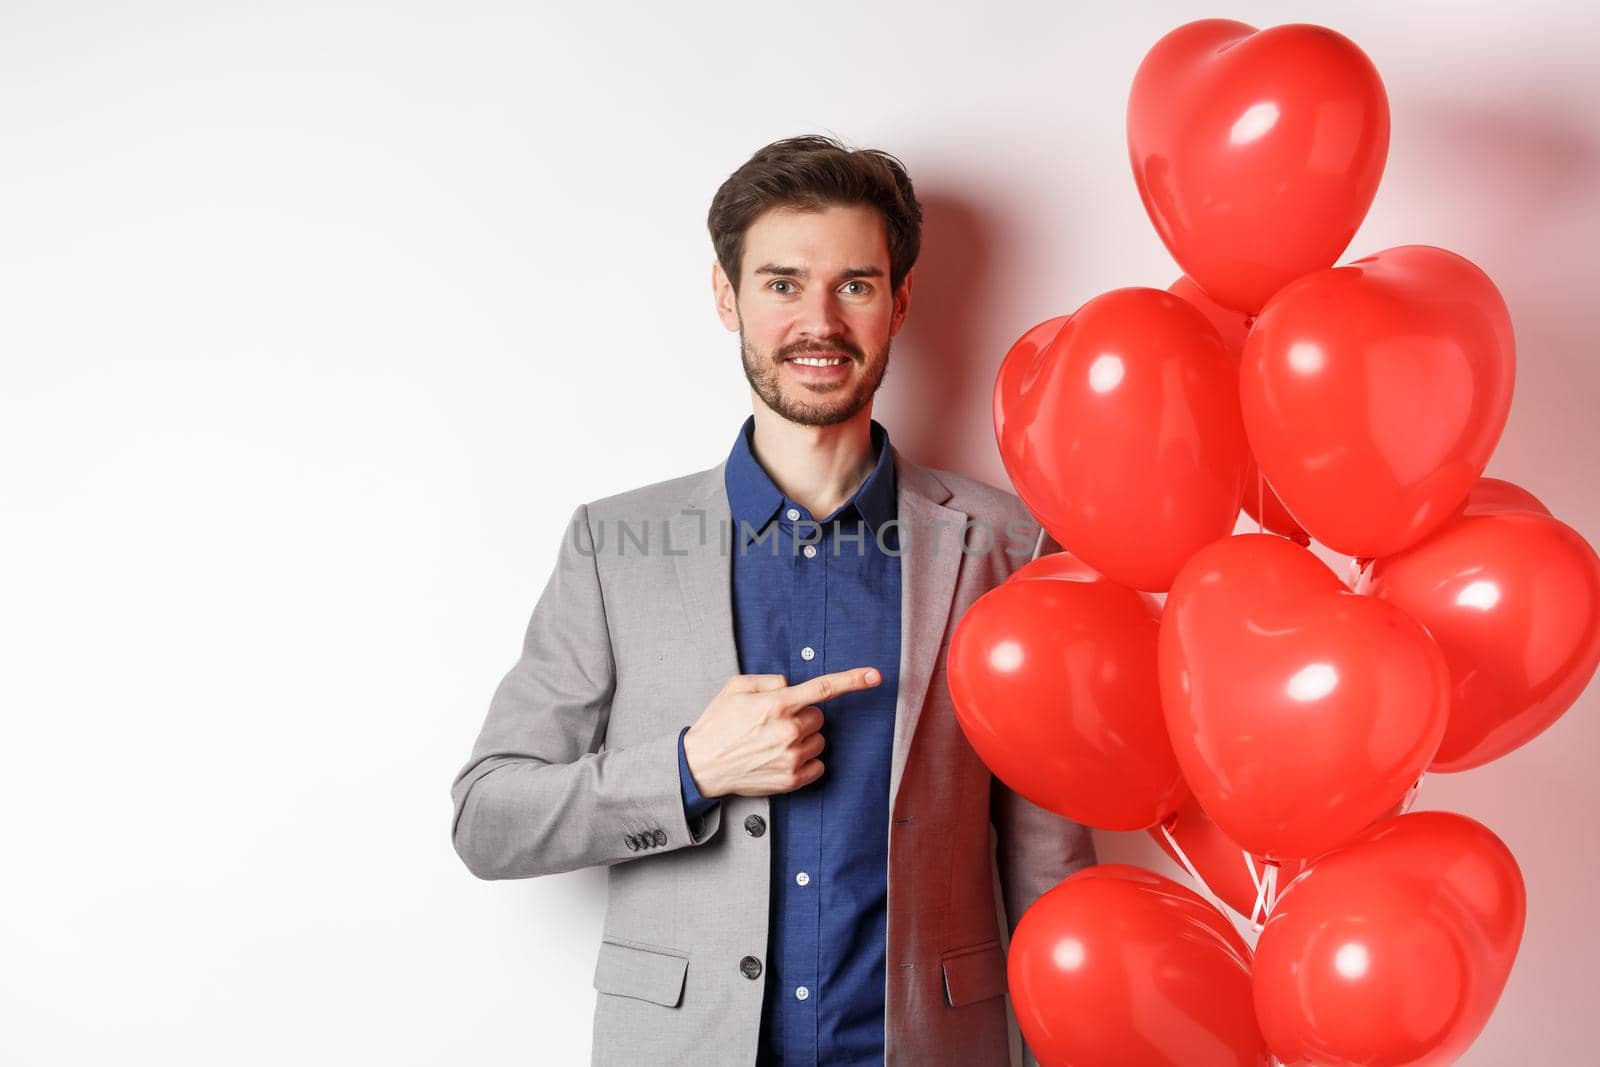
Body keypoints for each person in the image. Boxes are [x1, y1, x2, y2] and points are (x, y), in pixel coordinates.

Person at [449, 135, 1097, 1066]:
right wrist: (688, 769)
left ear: (901, 301)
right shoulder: (613, 546)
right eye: (783, 284)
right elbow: (488, 818)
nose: (819, 322)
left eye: (856, 285)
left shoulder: (1007, 543)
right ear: (729, 297)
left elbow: (1049, 864)